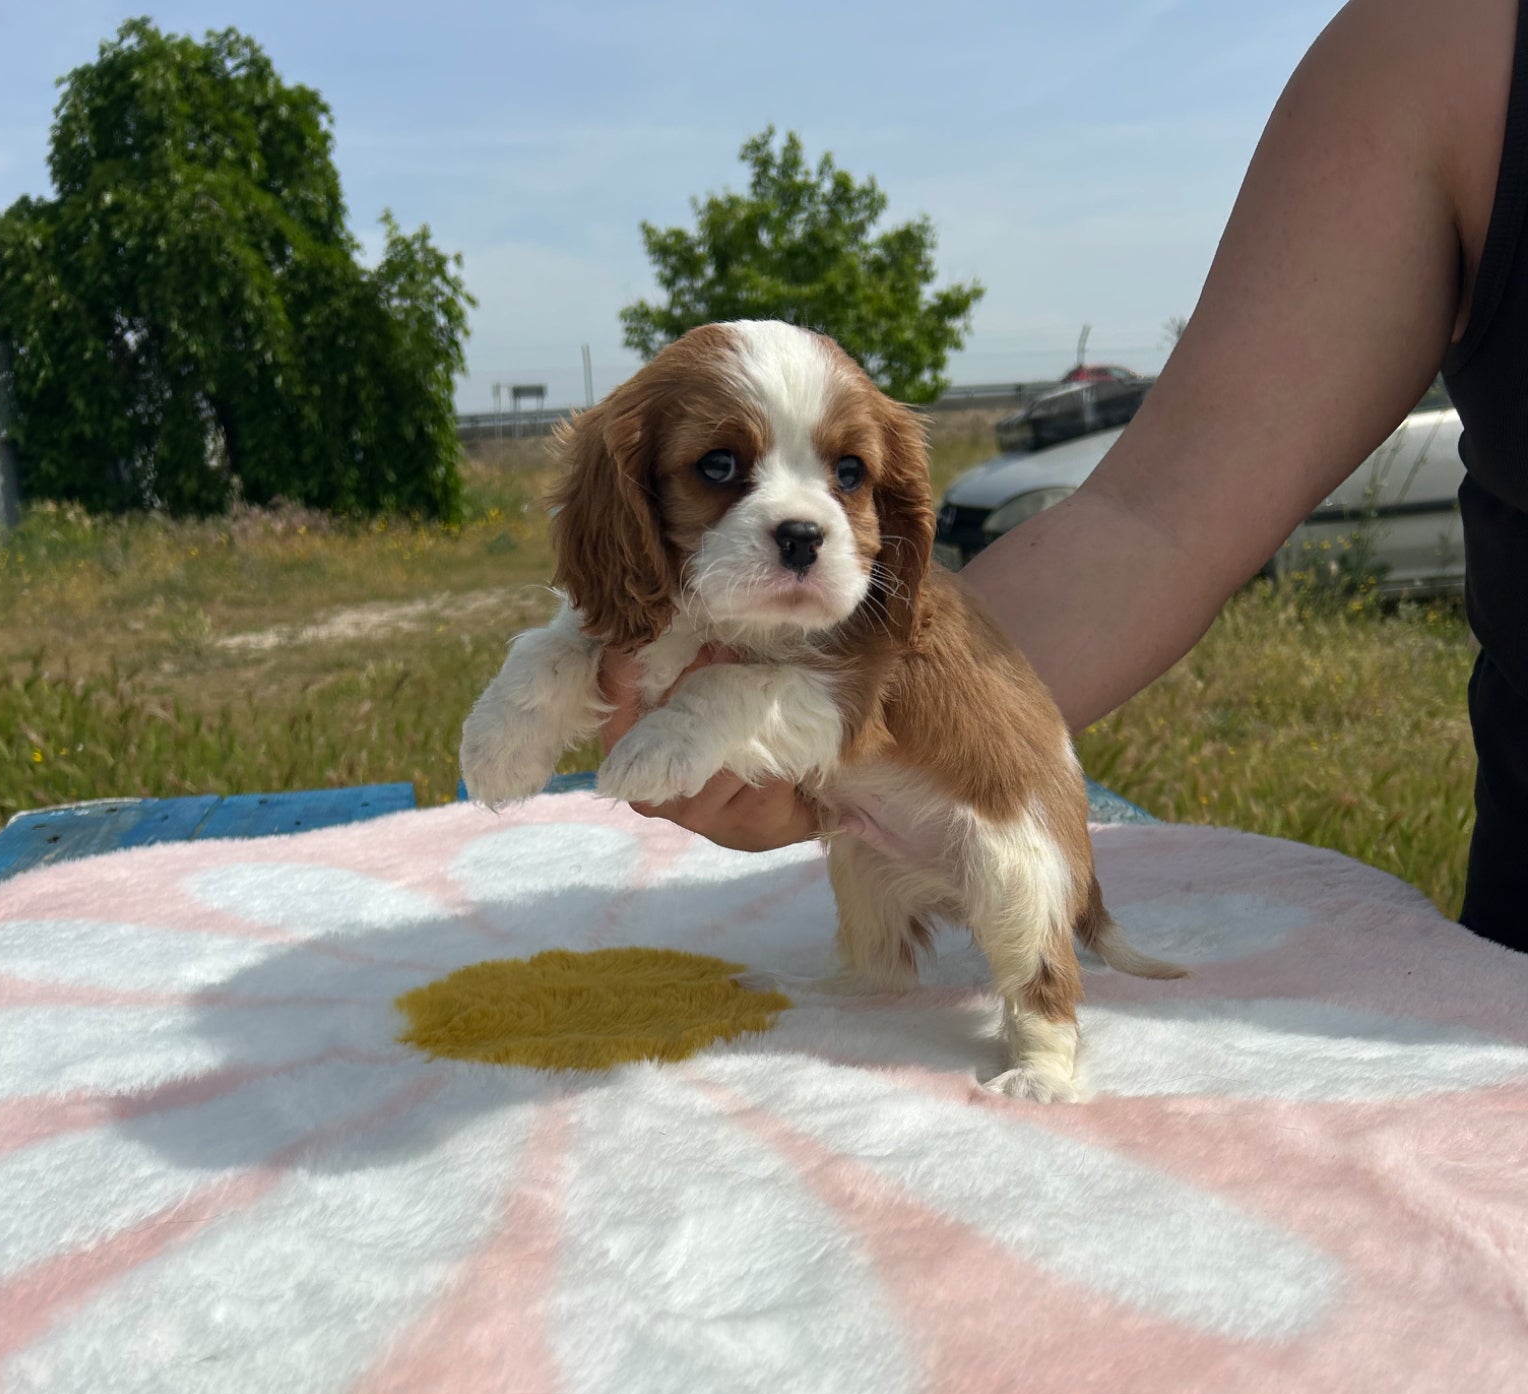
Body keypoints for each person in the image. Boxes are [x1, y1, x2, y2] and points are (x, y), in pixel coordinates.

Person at [598, 0, 1528, 951]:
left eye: (849, 473)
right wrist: (848, 708)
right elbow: (1150, 524)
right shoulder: (1442, 47)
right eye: (720, 467)